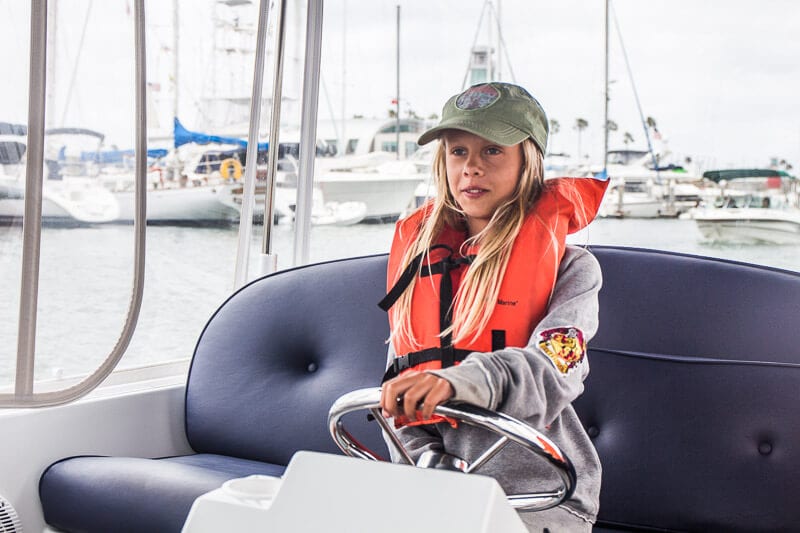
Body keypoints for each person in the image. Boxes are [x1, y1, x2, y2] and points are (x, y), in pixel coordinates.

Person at [378, 82, 608, 531]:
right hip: (435, 492)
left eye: (492, 152)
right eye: (458, 152)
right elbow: (398, 385)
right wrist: (426, 463)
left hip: (544, 499)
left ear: (529, 162)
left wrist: (458, 382)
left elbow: (555, 370)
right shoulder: (421, 265)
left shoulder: (574, 269)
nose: (471, 168)